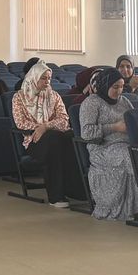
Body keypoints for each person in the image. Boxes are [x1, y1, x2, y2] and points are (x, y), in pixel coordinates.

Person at [10, 60, 85, 208]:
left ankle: (76, 190)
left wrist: (45, 127)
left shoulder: (54, 96)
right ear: (34, 77)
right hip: (33, 140)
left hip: (54, 136)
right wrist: (42, 129)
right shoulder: (19, 97)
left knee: (70, 137)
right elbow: (21, 123)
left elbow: (64, 119)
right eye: (43, 78)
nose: (47, 82)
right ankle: (56, 196)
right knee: (54, 140)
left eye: (49, 78)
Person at [77, 69, 138, 221]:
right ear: (104, 85)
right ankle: (136, 207)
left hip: (127, 143)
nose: (119, 91)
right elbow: (86, 132)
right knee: (128, 156)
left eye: (121, 87)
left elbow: (134, 122)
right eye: (115, 87)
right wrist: (115, 127)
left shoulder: (124, 101)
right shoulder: (92, 102)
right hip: (103, 147)